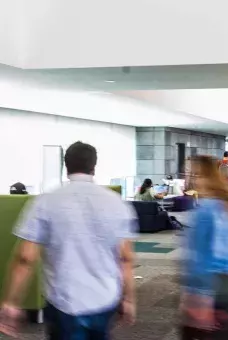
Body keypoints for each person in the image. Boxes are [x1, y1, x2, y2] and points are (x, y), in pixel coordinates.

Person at [0, 141, 137, 339]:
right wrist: (129, 298)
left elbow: (25, 258)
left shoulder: (45, 202)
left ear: (66, 166)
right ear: (94, 167)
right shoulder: (117, 203)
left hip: (64, 301)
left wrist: (12, 302)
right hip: (105, 298)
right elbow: (125, 258)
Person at [181, 155, 228, 339]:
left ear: (203, 176)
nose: (192, 179)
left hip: (206, 285)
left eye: (194, 174)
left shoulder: (206, 210)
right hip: (226, 281)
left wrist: (197, 296)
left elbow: (199, 257)